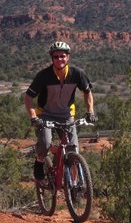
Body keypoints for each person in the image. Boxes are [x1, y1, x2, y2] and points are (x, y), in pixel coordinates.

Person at [24, 40, 97, 185]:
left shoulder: (77, 74)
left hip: (66, 115)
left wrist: (91, 112)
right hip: (45, 115)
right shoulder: (44, 76)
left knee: (73, 151)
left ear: (68, 57)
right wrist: (33, 117)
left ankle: (74, 186)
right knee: (45, 144)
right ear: (52, 59)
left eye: (62, 56)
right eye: (56, 57)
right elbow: (28, 98)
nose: (59, 59)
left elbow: (87, 92)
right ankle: (40, 161)